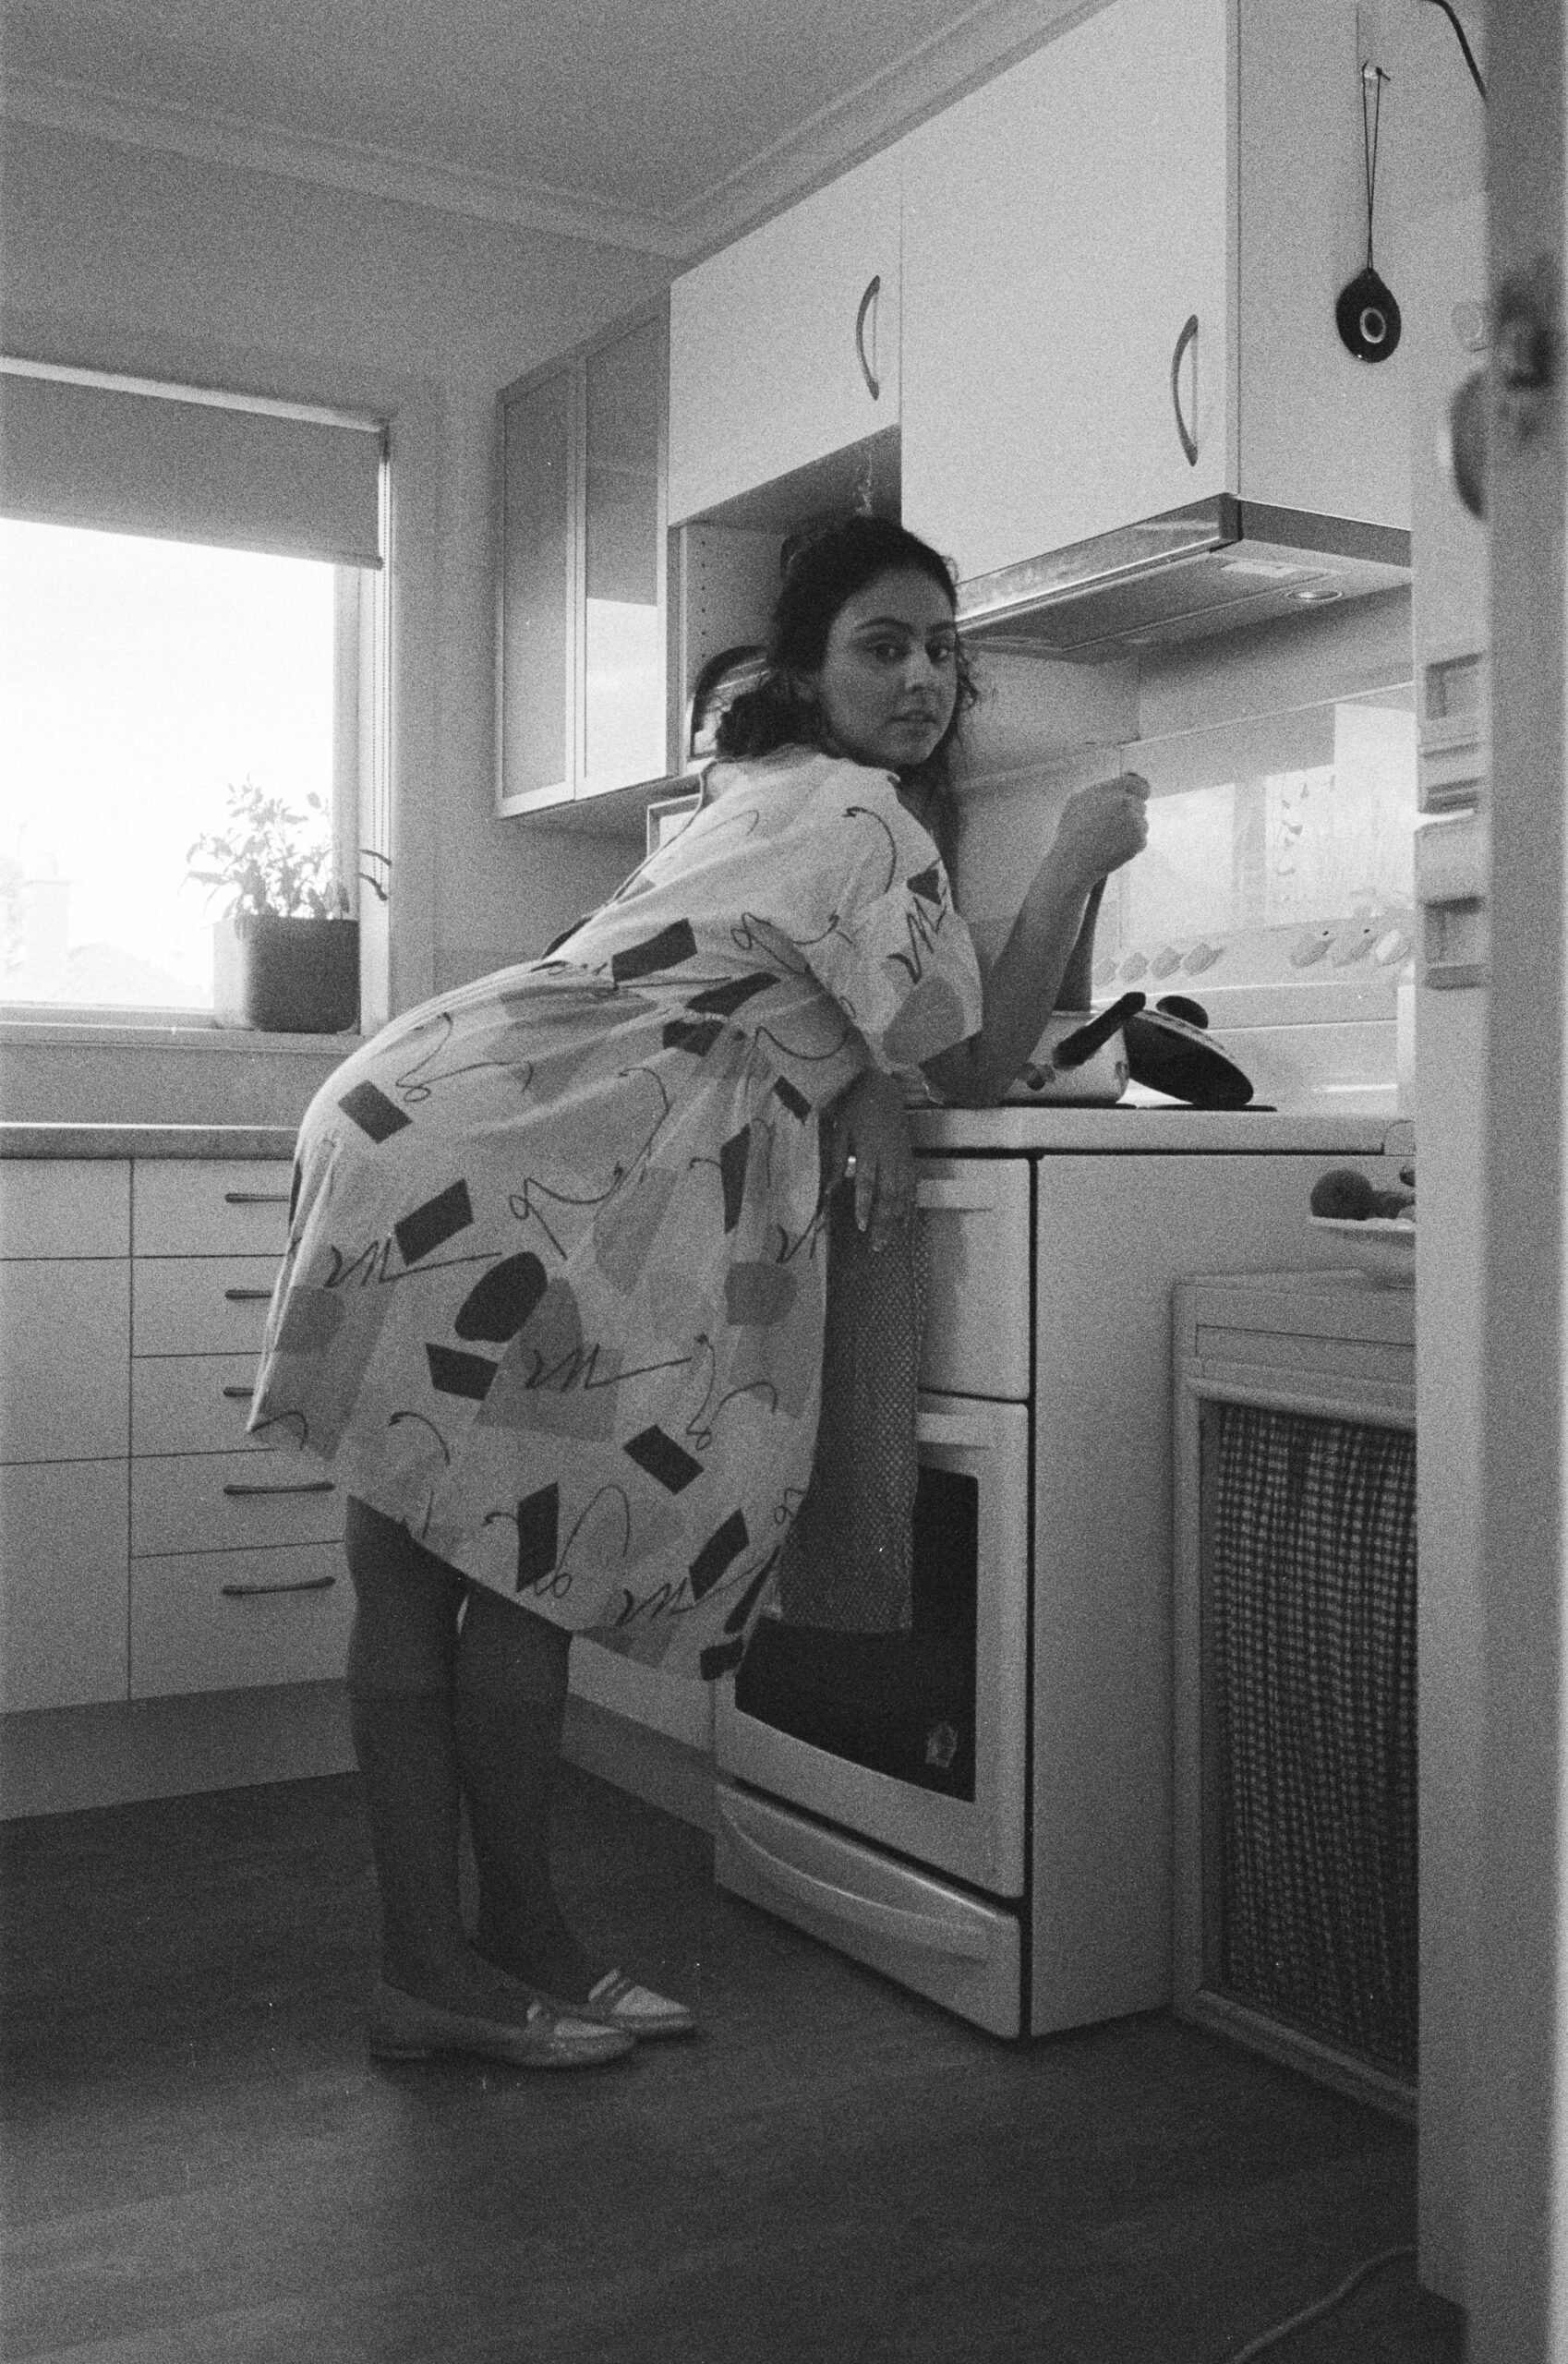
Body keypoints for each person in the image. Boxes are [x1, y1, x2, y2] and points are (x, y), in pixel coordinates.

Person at [248, 513, 1148, 2071]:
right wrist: (1072, 859)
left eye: (944, 651)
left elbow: (781, 999)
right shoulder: (865, 817)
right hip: (525, 1155)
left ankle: (454, 1958)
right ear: (810, 666)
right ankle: (481, 1951)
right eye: (883, 645)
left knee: (411, 1573)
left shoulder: (760, 787)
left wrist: (857, 1075)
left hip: (421, 1114)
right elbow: (978, 1061)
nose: (924, 678)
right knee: (515, 1572)